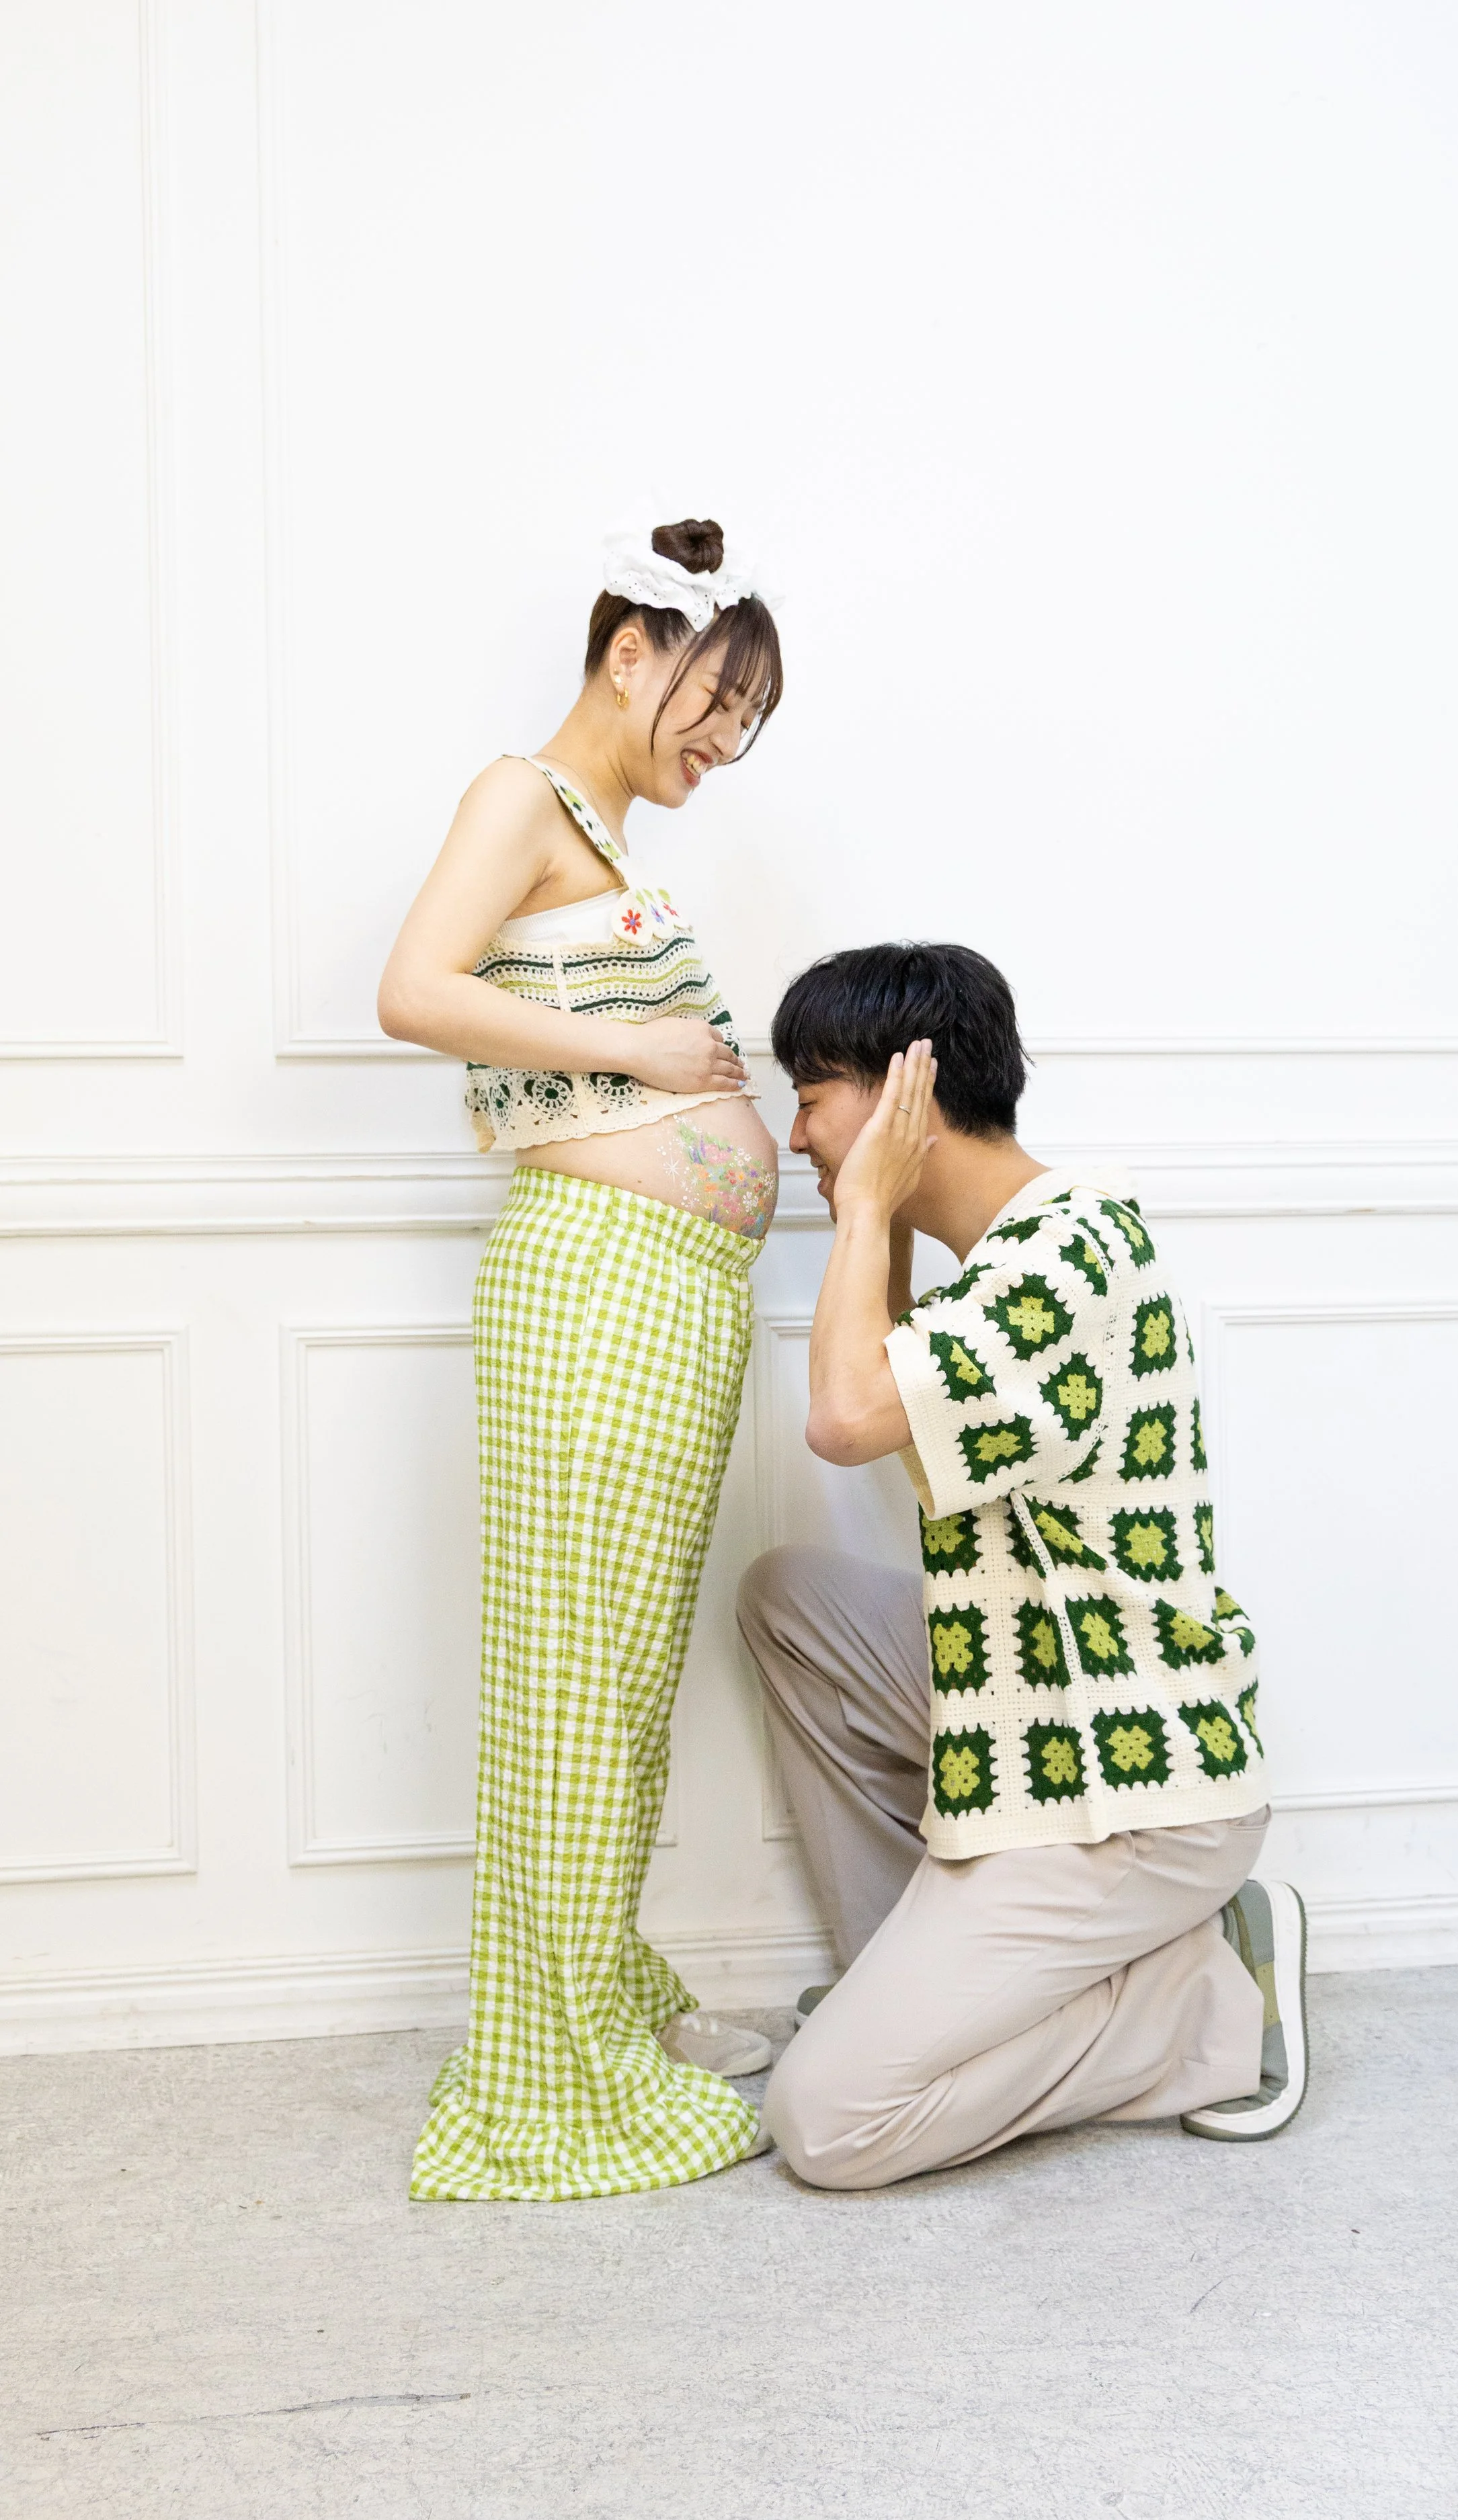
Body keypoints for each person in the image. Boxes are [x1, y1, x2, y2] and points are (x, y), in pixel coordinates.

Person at [736, 943, 1309, 2190]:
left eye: (813, 1094)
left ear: (904, 1100)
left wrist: (866, 1206)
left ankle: (1205, 2001)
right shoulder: (1013, 1258)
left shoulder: (1060, 1263)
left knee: (828, 2124)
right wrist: (874, 1218)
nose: (795, 1136)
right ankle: (924, 1989)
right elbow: (883, 1394)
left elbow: (841, 1419)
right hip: (1041, 1705)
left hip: (1135, 1791)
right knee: (790, 1598)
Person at [379, 519, 784, 2199]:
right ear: (632, 651)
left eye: (753, 722)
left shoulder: (597, 830)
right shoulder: (516, 799)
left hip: (661, 1289)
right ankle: (551, 2071)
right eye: (717, 700)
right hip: (594, 1286)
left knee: (614, 1689)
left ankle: (600, 1995)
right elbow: (412, 990)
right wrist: (636, 1046)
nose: (729, 742)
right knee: (572, 1686)